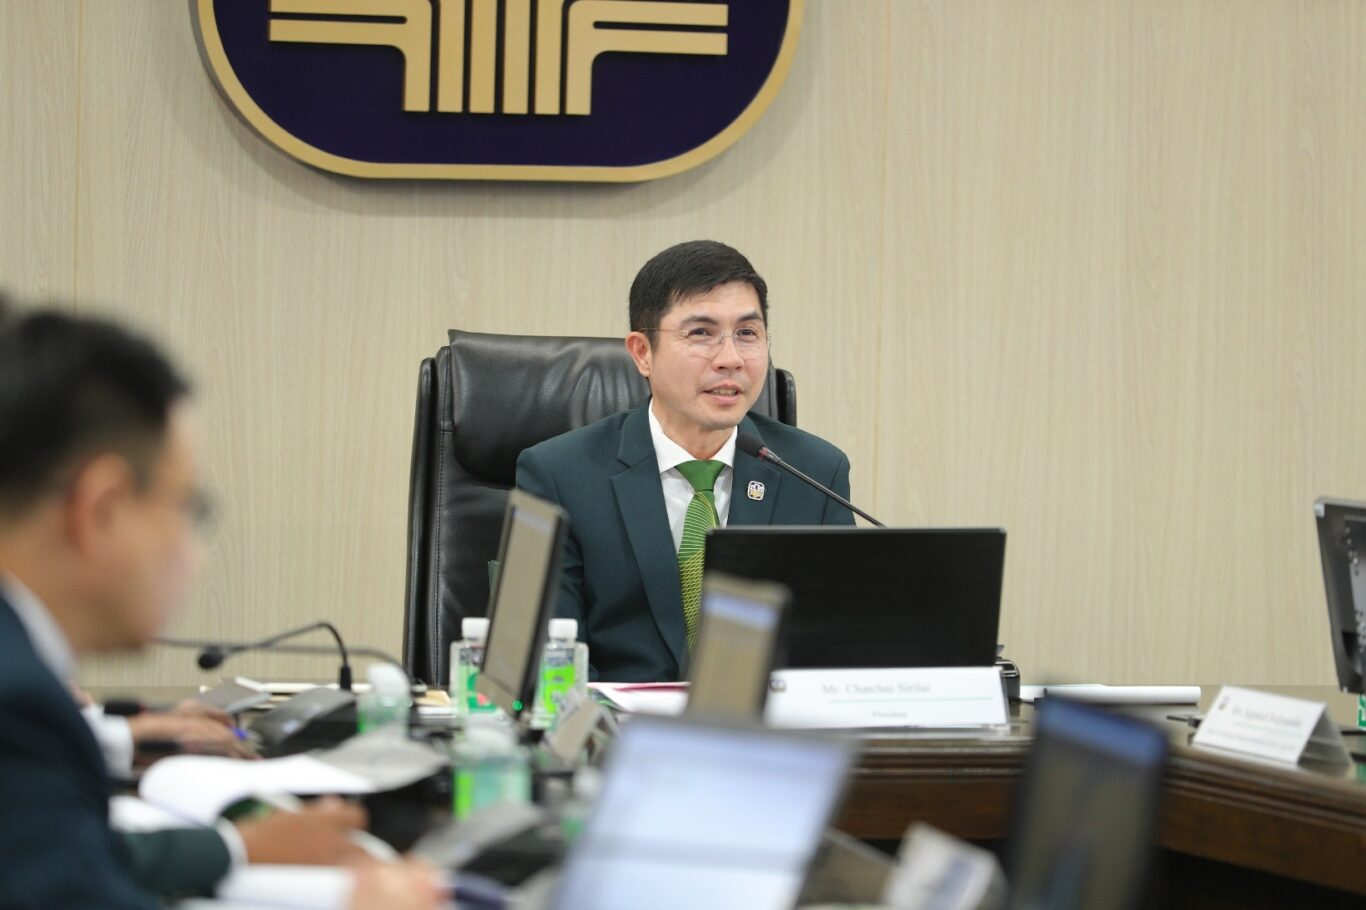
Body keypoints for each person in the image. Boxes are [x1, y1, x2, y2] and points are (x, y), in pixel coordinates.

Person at [0, 300, 437, 909]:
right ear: (102, 508)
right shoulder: (17, 705)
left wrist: (236, 848)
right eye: (188, 508)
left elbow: (67, 868)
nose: (195, 554)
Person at [516, 241, 856, 682]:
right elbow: (550, 665)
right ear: (643, 352)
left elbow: (839, 650)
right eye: (701, 333)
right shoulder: (559, 475)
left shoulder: (815, 472)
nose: (731, 359)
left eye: (747, 333)